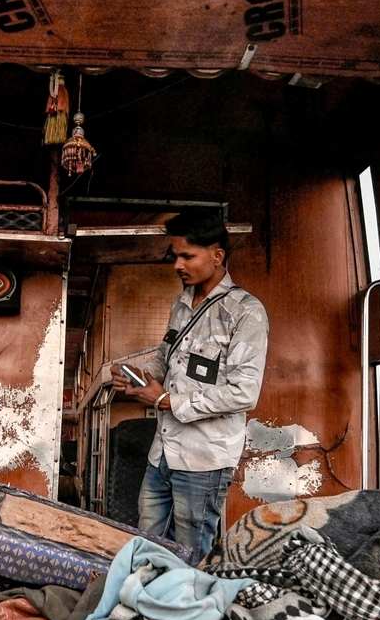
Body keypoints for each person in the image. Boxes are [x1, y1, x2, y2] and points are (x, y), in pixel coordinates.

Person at [111, 211, 269, 557]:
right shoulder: (182, 304)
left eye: (187, 256)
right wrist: (141, 375)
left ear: (217, 256)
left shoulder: (246, 313)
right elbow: (167, 359)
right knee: (146, 540)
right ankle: (147, 606)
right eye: (175, 256)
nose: (177, 265)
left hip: (204, 460)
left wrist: (165, 399)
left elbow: (244, 392)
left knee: (191, 551)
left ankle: (187, 608)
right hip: (163, 451)